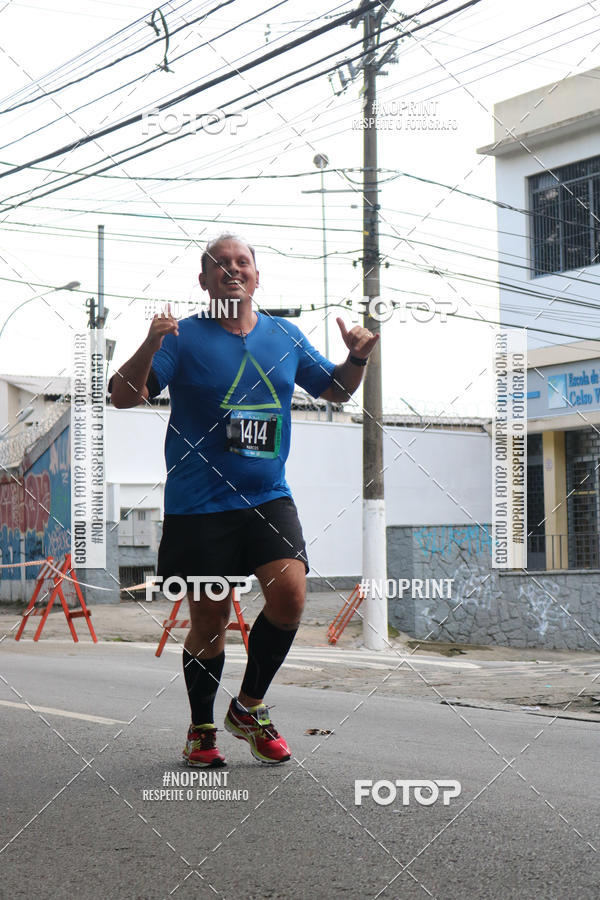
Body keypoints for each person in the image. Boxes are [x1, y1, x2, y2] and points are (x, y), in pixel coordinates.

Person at [110, 233, 378, 767]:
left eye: (242, 262)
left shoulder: (283, 335)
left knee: (292, 597)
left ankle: (249, 707)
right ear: (204, 280)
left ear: (257, 276)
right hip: (199, 504)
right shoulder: (182, 337)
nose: (232, 270)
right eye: (220, 264)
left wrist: (356, 359)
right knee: (208, 621)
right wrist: (150, 342)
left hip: (266, 496)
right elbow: (122, 397)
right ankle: (202, 728)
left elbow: (335, 390)